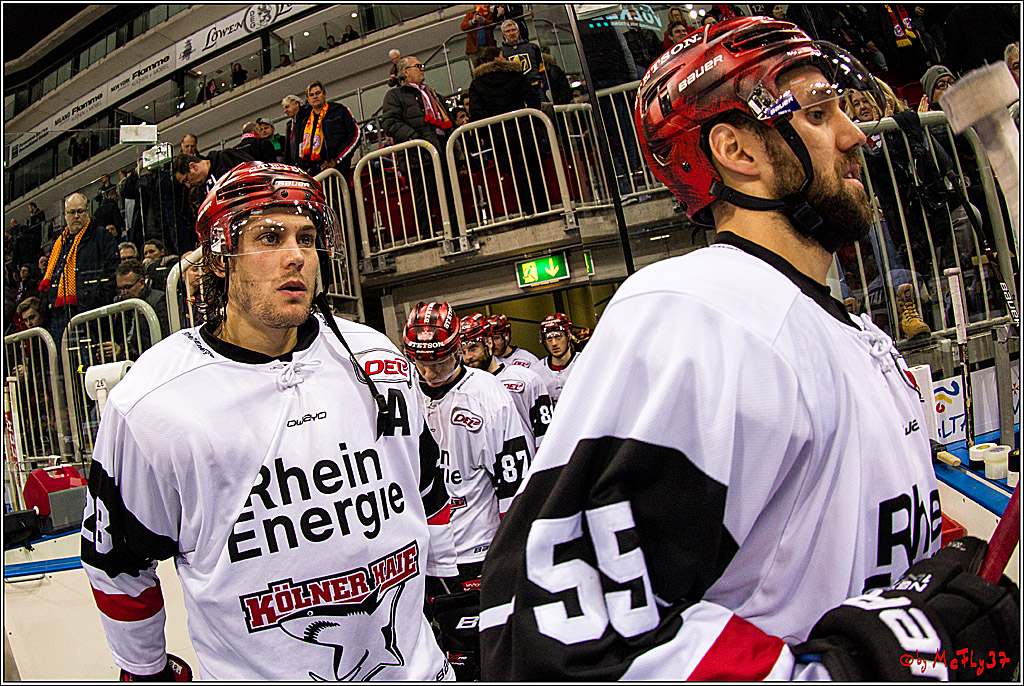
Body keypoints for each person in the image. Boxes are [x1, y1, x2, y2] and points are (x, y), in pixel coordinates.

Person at [479, 17, 1018, 680]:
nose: (854, 136)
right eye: (819, 112)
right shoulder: (697, 314)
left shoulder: (861, 337)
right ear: (737, 151)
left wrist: (944, 592)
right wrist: (850, 668)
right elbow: (550, 634)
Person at [81, 162, 457, 681]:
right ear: (219, 255)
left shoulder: (376, 357)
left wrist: (447, 586)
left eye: (306, 237)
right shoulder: (152, 401)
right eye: (269, 236)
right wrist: (143, 669)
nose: (297, 255)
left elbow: (427, 489)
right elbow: (116, 563)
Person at [403, 301, 534, 679]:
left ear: (458, 348)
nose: (428, 372)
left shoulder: (489, 396)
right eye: (420, 362)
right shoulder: (406, 391)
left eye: (438, 362)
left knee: (479, 657)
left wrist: (513, 555)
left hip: (475, 553)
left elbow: (515, 484)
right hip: (422, 555)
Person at [468, 46, 548, 216]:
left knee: (516, 173)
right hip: (524, 128)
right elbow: (533, 99)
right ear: (497, 58)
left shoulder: (477, 83)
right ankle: (543, 207)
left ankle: (528, 210)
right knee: (534, 169)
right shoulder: (517, 76)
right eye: (503, 56)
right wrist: (533, 121)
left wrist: (484, 135)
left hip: (499, 134)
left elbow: (477, 112)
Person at [381, 57, 457, 233]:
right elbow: (390, 123)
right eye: (417, 66)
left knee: (449, 192)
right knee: (425, 196)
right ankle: (427, 234)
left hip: (441, 148)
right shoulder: (395, 95)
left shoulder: (432, 93)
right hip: (418, 153)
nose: (422, 69)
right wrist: (416, 139)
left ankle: (455, 229)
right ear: (405, 72)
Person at [460, 313, 552, 449]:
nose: (468, 357)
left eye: (473, 348)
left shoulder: (525, 378)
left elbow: (545, 434)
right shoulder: (462, 391)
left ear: (489, 343)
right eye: (463, 351)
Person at [39, 192, 119, 342]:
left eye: (80, 211)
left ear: (87, 211)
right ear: (65, 214)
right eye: (71, 212)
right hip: (59, 317)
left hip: (89, 314)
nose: (76, 216)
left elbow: (112, 272)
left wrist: (99, 301)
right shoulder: (58, 244)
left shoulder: (101, 237)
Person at [294, 81, 361, 180]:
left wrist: (337, 159)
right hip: (314, 173)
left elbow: (355, 135)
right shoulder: (304, 119)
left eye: (318, 93)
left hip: (337, 169)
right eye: (311, 95)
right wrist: (304, 167)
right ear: (308, 99)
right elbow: (300, 145)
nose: (315, 97)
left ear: (324, 94)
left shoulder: (339, 110)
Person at [114, 258, 170, 351]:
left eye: (127, 287)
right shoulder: (120, 305)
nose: (123, 292)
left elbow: (158, 340)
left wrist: (122, 350)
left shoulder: (158, 301)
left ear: (141, 283)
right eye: (120, 289)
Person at [171, 147, 254, 198]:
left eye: (186, 180)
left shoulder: (227, 157)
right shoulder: (202, 193)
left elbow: (256, 169)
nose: (188, 185)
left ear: (193, 166)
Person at [534, 312, 579, 405]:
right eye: (549, 338)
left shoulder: (585, 362)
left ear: (568, 336)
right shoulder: (535, 371)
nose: (554, 343)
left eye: (558, 336)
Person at [499, 20, 546, 102]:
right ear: (504, 34)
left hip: (535, 86)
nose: (512, 33)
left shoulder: (532, 47)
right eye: (508, 31)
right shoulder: (501, 52)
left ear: (518, 31)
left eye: (514, 30)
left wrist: (543, 83)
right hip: (515, 90)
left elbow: (541, 66)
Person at [282, 94, 310, 167]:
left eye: (287, 107)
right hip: (295, 165)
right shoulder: (289, 125)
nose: (285, 111)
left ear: (296, 104)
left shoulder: (309, 117)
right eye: (284, 109)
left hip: (307, 163)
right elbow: (287, 150)